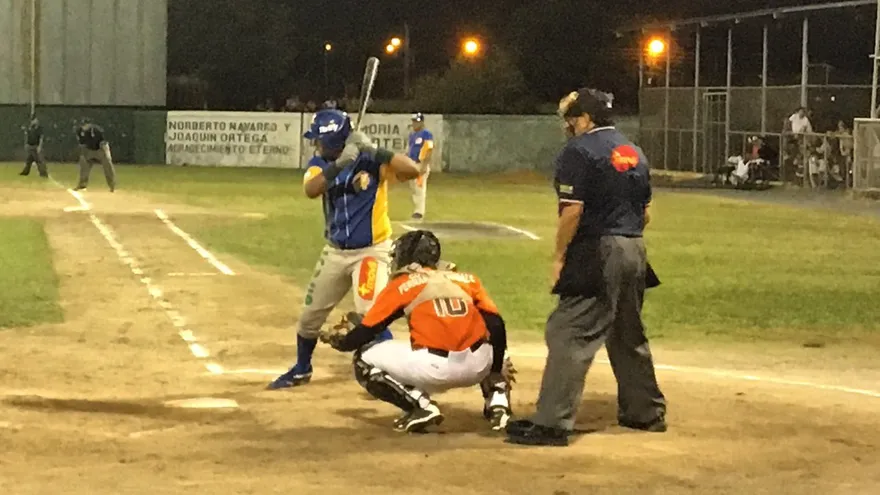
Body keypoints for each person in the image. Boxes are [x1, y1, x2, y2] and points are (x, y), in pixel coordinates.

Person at [505, 88, 666, 447]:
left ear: (586, 119)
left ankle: (552, 424)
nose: (568, 125)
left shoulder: (578, 151)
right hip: (635, 247)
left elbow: (573, 211)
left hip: (598, 249)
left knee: (568, 332)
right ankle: (646, 413)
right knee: (627, 333)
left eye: (572, 118)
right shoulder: (633, 151)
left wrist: (560, 257)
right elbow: (646, 213)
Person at [268, 109, 424, 390]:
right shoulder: (321, 163)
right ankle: (302, 368)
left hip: (371, 251)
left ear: (334, 140)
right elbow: (311, 189)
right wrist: (340, 164)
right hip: (336, 252)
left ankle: (394, 374)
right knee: (309, 319)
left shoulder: (371, 161)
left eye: (320, 140)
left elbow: (413, 169)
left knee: (372, 314)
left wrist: (376, 151)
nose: (316, 145)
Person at [319, 230, 514, 433]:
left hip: (435, 370)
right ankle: (498, 403)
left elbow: (366, 332)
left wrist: (341, 342)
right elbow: (497, 325)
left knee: (364, 358)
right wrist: (494, 370)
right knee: (492, 339)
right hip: (479, 366)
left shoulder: (402, 284)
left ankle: (421, 406)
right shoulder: (467, 280)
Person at [74, 120, 116, 192]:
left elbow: (103, 142)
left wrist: (105, 152)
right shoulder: (79, 131)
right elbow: (82, 144)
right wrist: (84, 154)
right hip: (89, 149)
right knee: (83, 162)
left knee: (107, 164)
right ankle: (82, 185)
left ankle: (112, 186)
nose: (84, 127)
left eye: (86, 125)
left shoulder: (96, 130)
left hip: (100, 149)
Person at [406, 113, 434, 220]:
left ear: (422, 122)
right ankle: (416, 210)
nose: (414, 124)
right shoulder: (412, 135)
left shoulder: (426, 134)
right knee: (413, 188)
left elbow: (429, 150)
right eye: (413, 121)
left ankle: (419, 211)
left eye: (417, 121)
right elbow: (410, 150)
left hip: (420, 163)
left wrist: (424, 164)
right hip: (412, 164)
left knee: (419, 188)